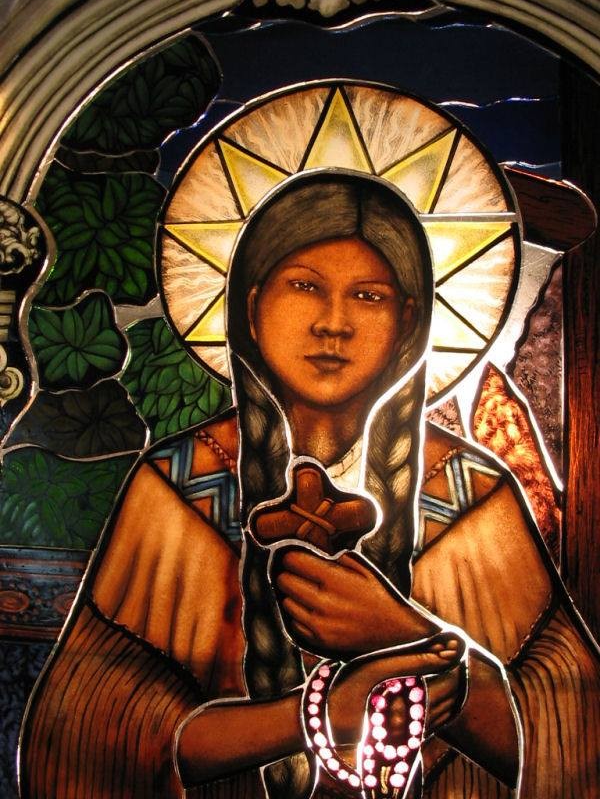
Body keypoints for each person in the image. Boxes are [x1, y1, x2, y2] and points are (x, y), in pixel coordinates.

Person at [19, 173, 600, 799]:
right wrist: (316, 715)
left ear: (409, 320)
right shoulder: (181, 485)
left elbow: (573, 738)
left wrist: (409, 637)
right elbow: (90, 738)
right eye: (304, 286)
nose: (333, 324)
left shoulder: (468, 495)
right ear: (251, 305)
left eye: (369, 296)